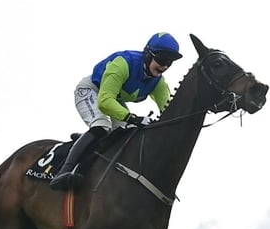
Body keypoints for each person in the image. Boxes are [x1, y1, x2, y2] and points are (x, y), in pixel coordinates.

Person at [50, 32, 183, 190]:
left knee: (129, 132)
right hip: (92, 90)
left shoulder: (159, 83)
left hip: (114, 97)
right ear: (148, 54)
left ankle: (93, 142)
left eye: (169, 62)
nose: (164, 66)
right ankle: (62, 173)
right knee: (101, 126)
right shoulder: (123, 63)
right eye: (161, 59)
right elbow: (105, 101)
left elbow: (170, 111)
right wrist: (133, 118)